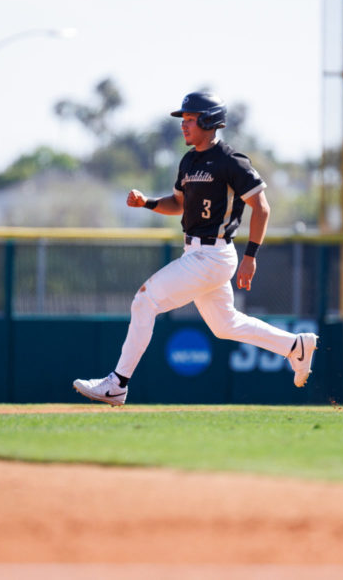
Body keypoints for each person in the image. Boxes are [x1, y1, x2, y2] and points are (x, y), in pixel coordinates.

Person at [73, 91, 318, 406]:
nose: (184, 125)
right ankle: (295, 346)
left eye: (190, 119)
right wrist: (146, 202)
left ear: (208, 121)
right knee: (225, 325)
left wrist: (251, 257)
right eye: (184, 119)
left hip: (213, 254)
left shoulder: (231, 160)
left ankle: (117, 383)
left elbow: (261, 207)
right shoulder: (188, 160)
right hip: (197, 254)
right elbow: (178, 203)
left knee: (144, 300)